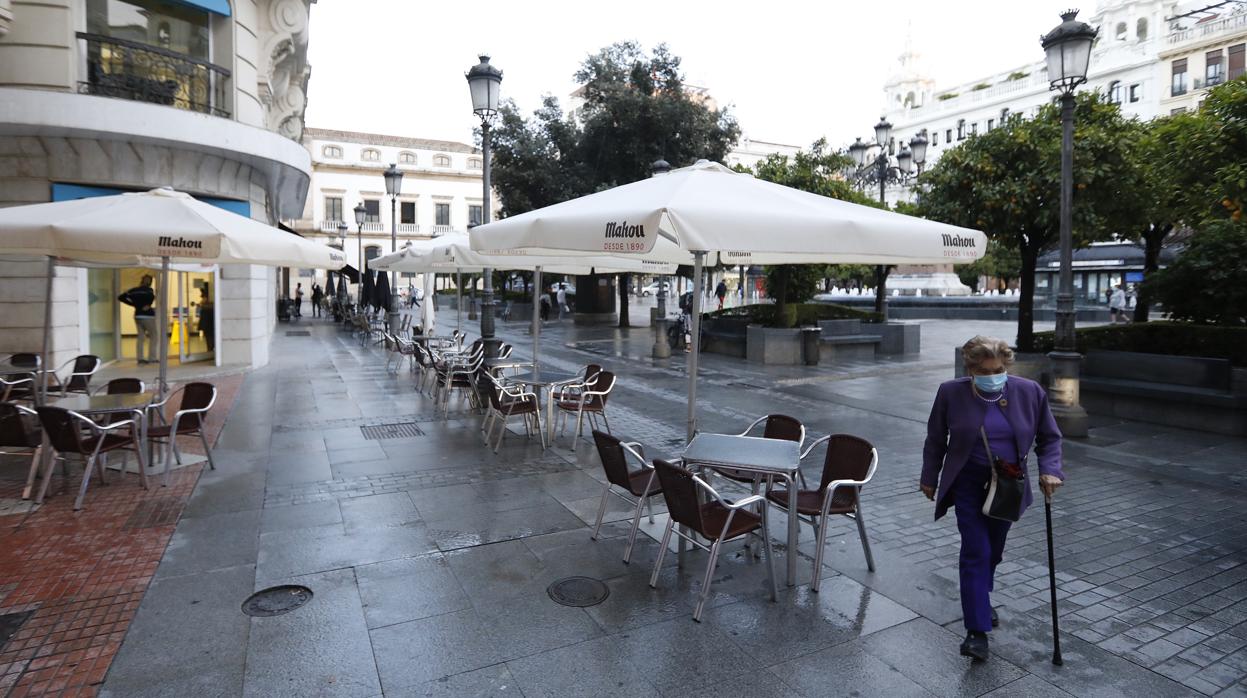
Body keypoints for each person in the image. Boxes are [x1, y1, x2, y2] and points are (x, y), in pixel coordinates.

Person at [922, 336, 1064, 662]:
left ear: (1006, 366)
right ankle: (976, 631)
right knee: (976, 550)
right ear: (970, 369)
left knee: (993, 552)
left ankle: (981, 600)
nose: (992, 375)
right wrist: (929, 477)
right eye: (984, 370)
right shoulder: (950, 393)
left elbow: (1050, 437)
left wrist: (1050, 469)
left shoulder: (1029, 392)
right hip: (967, 484)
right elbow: (935, 439)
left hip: (1008, 485)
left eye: (998, 369)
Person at [119, 275, 157, 364]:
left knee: (141, 337)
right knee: (154, 336)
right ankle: (152, 358)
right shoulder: (149, 290)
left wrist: (134, 304)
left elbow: (121, 297)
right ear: (149, 282)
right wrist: (147, 304)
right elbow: (151, 299)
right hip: (148, 316)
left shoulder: (134, 290)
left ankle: (140, 359)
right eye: (148, 280)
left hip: (138, 315)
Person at [198, 286, 215, 352]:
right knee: (210, 340)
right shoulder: (207, 305)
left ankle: (210, 351)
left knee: (210, 340)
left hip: (208, 325)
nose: (202, 299)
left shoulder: (207, 306)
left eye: (203, 297)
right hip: (209, 326)